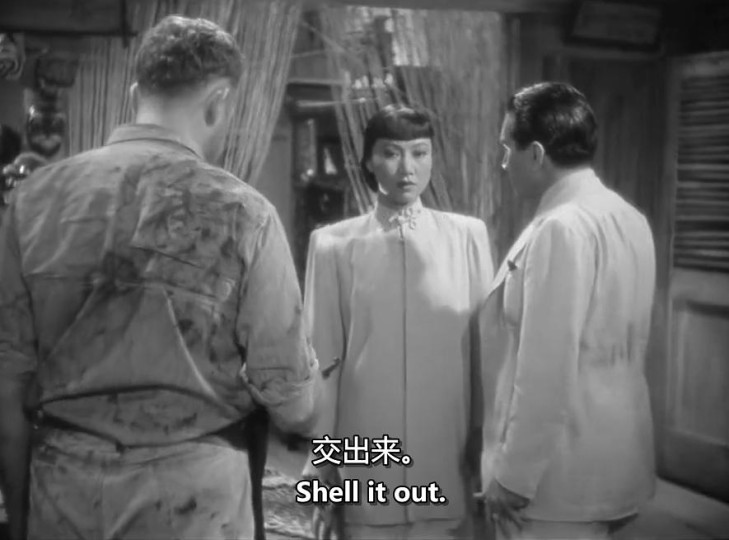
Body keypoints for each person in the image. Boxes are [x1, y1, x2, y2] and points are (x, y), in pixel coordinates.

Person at [0, 15, 322, 540]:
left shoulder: (33, 200)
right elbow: (292, 401)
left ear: (135, 95)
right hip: (193, 500)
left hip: (64, 490)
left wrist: (21, 518)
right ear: (219, 103)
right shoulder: (247, 215)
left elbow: (7, 385)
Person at [302, 104, 494, 539]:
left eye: (420, 153)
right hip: (367, 452)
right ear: (369, 160)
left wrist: (486, 442)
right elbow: (323, 363)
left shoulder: (467, 238)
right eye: (391, 153)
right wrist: (322, 465)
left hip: (447, 452)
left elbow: (485, 355)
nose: (407, 168)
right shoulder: (333, 244)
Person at [477, 82, 656, 540]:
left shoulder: (561, 228)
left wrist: (513, 476)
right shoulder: (629, 217)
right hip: (613, 455)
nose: (503, 163)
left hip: (558, 474)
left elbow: (546, 369)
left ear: (536, 154)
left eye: (507, 148)